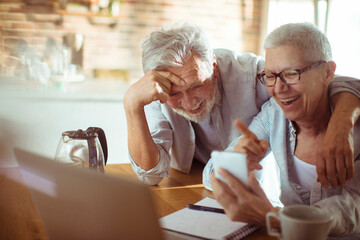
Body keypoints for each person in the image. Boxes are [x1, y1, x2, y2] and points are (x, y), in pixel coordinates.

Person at [123, 22, 360, 186]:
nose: (189, 102)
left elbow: (325, 83)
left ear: (213, 67)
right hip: (195, 181)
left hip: (251, 187)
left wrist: (342, 124)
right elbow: (150, 176)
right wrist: (131, 105)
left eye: (197, 86)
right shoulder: (157, 90)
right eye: (176, 93)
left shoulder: (251, 73)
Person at [208, 22, 360, 238]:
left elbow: (353, 208)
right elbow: (212, 172)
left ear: (327, 73)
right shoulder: (274, 114)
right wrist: (236, 163)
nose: (278, 89)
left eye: (291, 73)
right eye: (270, 76)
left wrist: (275, 218)